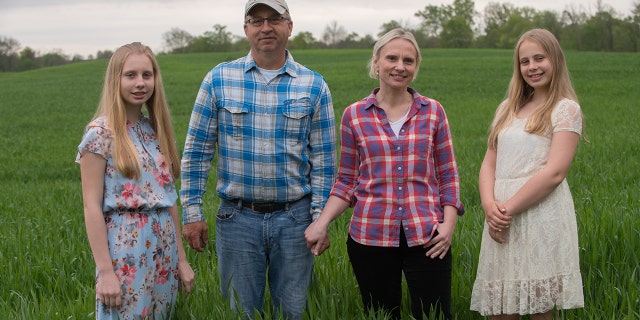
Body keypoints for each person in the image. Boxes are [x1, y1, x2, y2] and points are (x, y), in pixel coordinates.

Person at [179, 0, 336, 319]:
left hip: (296, 220)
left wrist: (320, 218)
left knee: (293, 310)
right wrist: (191, 212)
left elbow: (324, 161)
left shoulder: (314, 85)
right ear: (246, 29)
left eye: (275, 19)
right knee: (240, 312)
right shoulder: (219, 79)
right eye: (257, 20)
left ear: (289, 26)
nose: (266, 27)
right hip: (237, 220)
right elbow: (197, 152)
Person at [304, 28, 464, 320]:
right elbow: (347, 181)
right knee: (380, 315)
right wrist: (322, 222)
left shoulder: (433, 112)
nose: (400, 66)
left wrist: (449, 224)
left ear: (416, 67)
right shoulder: (354, 115)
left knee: (435, 314)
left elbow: (448, 175)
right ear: (376, 63)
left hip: (428, 235)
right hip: (370, 237)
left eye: (408, 60)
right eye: (392, 58)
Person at [470, 28, 585, 319]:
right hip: (499, 217)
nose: (532, 67)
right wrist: (489, 207)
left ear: (555, 60)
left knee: (538, 307)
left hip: (538, 215)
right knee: (500, 308)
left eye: (539, 58)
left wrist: (505, 210)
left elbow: (555, 173)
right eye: (525, 61)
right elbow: (488, 164)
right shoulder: (507, 108)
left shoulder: (565, 109)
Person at [76, 42, 194, 319]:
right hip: (126, 248)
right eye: (130, 75)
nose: (140, 83)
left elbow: (169, 199)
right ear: (115, 79)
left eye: (147, 75)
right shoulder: (100, 133)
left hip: (163, 247)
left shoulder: (154, 130)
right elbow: (90, 206)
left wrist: (182, 260)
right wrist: (105, 272)